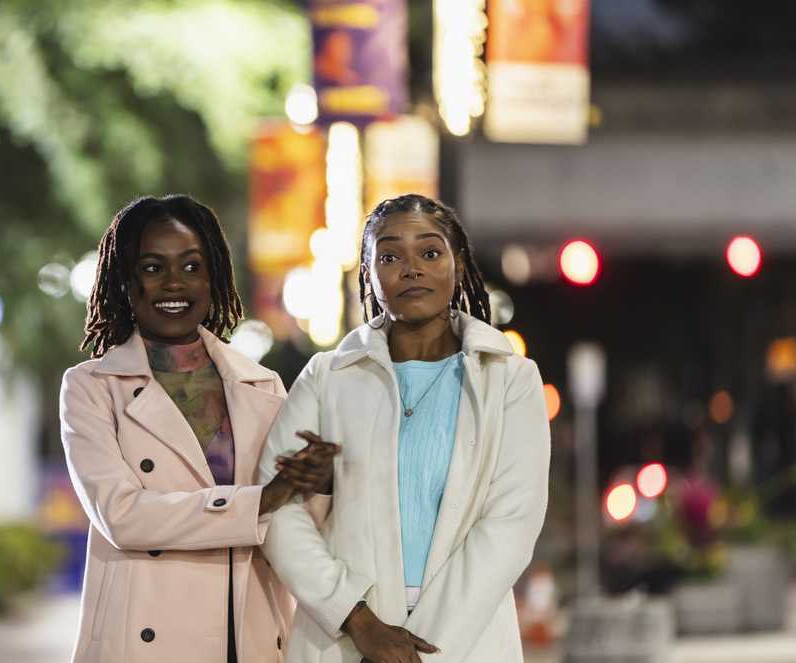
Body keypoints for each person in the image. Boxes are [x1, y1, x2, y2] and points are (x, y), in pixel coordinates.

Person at [258, 194, 551, 662]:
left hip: (466, 643)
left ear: (457, 265)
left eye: (430, 253)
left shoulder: (510, 380)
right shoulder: (326, 377)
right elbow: (276, 507)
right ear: (370, 275)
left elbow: (511, 524)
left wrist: (418, 654)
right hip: (343, 642)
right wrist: (357, 620)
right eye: (390, 256)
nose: (410, 268)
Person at [60, 194, 338, 663]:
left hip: (247, 637)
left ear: (214, 279)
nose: (174, 283)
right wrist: (263, 499)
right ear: (125, 281)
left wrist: (319, 485)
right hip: (142, 643)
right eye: (152, 267)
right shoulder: (91, 387)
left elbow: (293, 529)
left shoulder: (262, 384)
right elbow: (123, 516)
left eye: (192, 267)